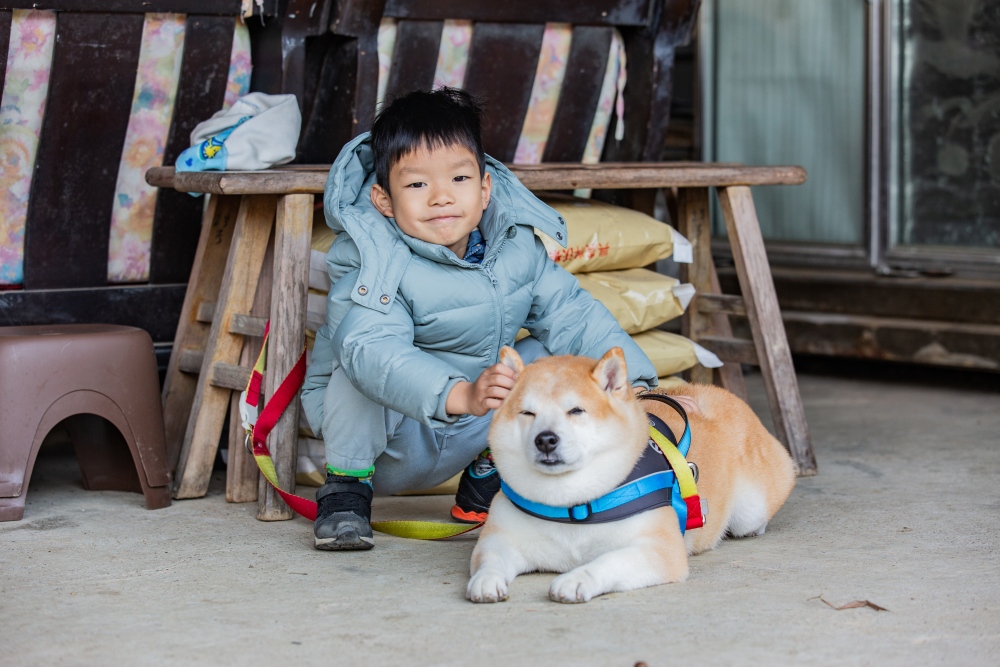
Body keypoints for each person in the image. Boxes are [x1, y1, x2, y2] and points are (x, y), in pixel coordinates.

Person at [300, 88, 657, 551]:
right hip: (388, 442)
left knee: (546, 358)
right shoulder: (372, 256)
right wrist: (460, 394)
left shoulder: (516, 249)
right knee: (358, 366)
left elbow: (573, 314)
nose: (441, 197)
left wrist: (640, 390)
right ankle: (345, 493)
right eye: (417, 185)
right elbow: (372, 349)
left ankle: (488, 472)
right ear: (384, 200)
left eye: (459, 178)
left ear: (485, 189)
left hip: (471, 423)